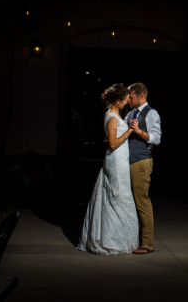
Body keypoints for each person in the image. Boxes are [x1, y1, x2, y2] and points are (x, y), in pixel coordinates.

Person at [77, 84, 139, 254]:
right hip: (116, 161)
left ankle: (120, 238)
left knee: (120, 195)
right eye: (125, 98)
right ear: (118, 100)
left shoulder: (115, 114)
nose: (127, 101)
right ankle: (111, 240)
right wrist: (129, 132)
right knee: (116, 196)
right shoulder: (111, 116)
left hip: (121, 160)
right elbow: (112, 144)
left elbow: (107, 140)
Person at [125, 82, 161, 255]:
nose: (129, 100)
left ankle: (147, 243)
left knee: (142, 201)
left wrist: (138, 131)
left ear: (141, 96)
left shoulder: (151, 113)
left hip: (142, 162)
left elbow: (156, 138)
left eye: (131, 97)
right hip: (128, 161)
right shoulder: (131, 113)